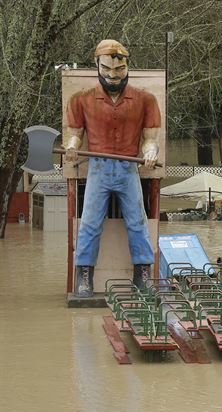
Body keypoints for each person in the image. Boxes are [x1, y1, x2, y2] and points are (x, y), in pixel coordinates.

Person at [65, 39, 161, 297]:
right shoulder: (80, 99)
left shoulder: (146, 99)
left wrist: (151, 151)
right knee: (89, 223)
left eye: (119, 69)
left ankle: (143, 276)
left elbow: (151, 139)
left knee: (137, 222)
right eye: (107, 68)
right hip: (98, 167)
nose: (113, 74)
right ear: (97, 65)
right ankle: (84, 277)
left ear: (127, 66)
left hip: (129, 167)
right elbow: (74, 135)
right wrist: (71, 147)